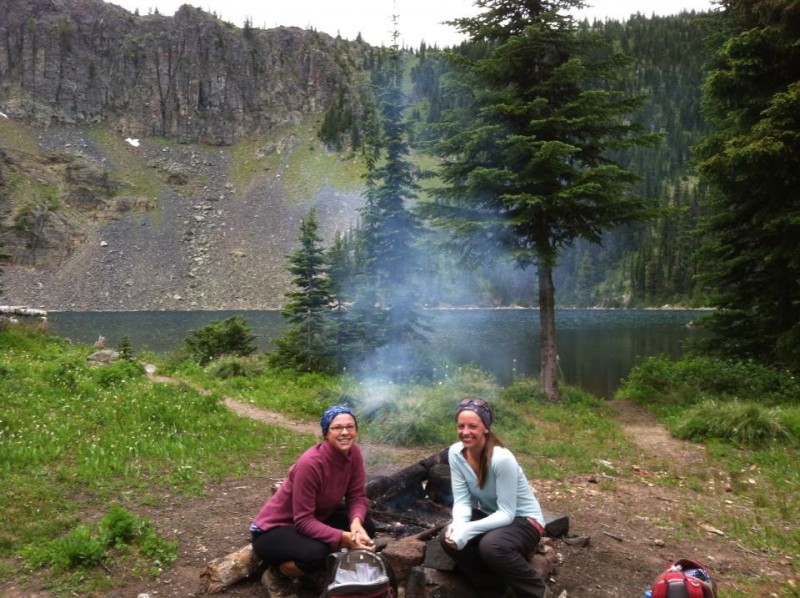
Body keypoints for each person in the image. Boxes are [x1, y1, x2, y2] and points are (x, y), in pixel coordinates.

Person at [250, 404, 376, 597]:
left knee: (367, 526)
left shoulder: (354, 454)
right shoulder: (310, 463)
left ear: (356, 431)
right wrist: (345, 537)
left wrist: (356, 524)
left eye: (350, 427)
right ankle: (277, 573)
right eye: (337, 428)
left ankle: (326, 566)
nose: (345, 432)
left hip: (316, 518)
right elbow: (303, 521)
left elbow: (357, 496)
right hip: (275, 529)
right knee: (315, 554)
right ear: (326, 433)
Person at [441, 397, 549, 598]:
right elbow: (462, 501)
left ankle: (536, 591)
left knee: (491, 546)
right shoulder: (456, 453)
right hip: (492, 515)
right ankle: (493, 588)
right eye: (461, 426)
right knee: (447, 537)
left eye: (473, 426)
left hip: (524, 520)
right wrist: (458, 526)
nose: (465, 432)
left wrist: (467, 529)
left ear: (486, 428)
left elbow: (507, 513)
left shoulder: (501, 458)